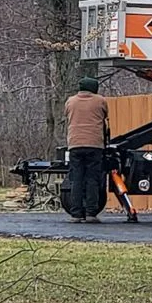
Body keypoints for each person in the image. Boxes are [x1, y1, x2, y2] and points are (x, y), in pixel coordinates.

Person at [64, 76, 108, 223]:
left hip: (75, 144)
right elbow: (105, 117)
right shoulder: (100, 101)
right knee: (92, 179)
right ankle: (91, 213)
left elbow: (67, 116)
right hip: (94, 145)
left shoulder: (71, 101)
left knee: (76, 179)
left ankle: (76, 214)